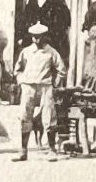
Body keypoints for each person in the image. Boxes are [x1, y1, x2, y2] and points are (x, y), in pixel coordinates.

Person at [14, 23, 65, 162]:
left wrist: (56, 83)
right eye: (34, 37)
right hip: (29, 86)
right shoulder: (26, 51)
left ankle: (52, 150)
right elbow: (17, 69)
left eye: (39, 37)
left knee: (49, 118)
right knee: (25, 116)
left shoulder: (51, 52)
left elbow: (61, 69)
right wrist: (21, 81)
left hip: (45, 86)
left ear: (44, 37)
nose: (36, 40)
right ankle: (23, 151)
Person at [18, 0, 72, 64]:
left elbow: (65, 22)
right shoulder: (32, 2)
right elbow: (24, 21)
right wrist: (23, 37)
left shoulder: (57, 1)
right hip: (33, 44)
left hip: (51, 43)